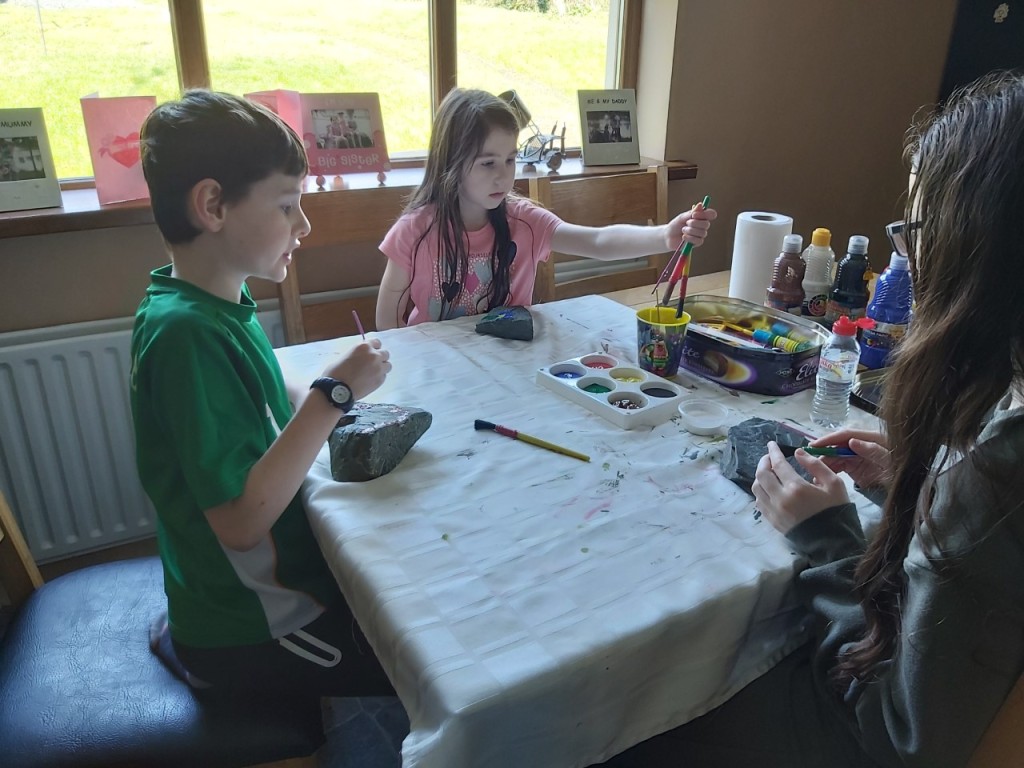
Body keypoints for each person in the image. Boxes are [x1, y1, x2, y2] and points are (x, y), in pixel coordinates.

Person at [600, 71, 1024, 768]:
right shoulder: (999, 454)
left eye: (917, 230)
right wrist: (918, 485)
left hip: (852, 735)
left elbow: (898, 738)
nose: (909, 257)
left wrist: (825, 539)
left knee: (631, 709)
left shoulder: (1003, 482)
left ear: (981, 250)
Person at [131, 90, 395, 701]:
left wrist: (334, 392)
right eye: (287, 205)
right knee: (422, 660)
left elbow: (264, 388)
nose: (303, 225)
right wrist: (333, 393)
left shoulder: (206, 302)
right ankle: (197, 652)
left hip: (241, 596)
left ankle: (189, 629)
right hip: (259, 630)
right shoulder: (186, 335)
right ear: (213, 205)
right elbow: (243, 523)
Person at [375, 88, 717, 330]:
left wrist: (664, 236)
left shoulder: (523, 221)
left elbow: (597, 242)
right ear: (450, 163)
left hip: (511, 367)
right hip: (437, 371)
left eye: (510, 160)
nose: (502, 175)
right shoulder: (415, 231)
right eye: (487, 163)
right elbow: (388, 315)